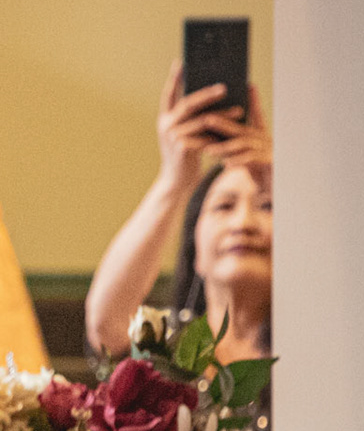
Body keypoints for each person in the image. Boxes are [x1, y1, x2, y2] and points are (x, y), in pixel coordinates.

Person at [85, 59, 273, 367]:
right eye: (224, 206)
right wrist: (173, 181)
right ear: (194, 246)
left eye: (267, 206)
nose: (243, 223)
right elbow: (106, 326)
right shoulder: (166, 350)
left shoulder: (319, 344)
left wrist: (281, 178)